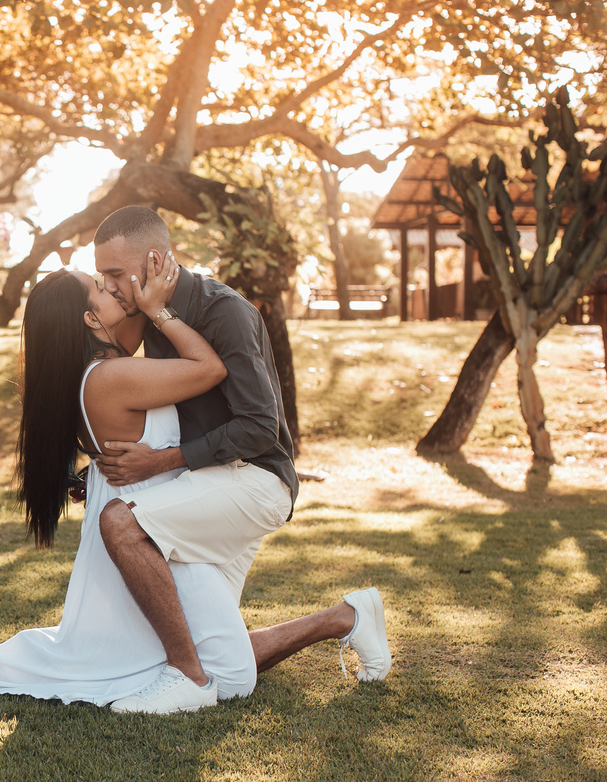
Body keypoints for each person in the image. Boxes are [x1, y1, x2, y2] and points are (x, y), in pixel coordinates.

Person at [90, 205, 390, 714]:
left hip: (256, 482)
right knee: (224, 663)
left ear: (154, 259)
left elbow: (259, 427)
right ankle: (347, 617)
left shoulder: (223, 310)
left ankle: (187, 680)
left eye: (116, 274)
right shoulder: (146, 314)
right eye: (103, 276)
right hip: (208, 487)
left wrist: (159, 462)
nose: (112, 286)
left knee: (121, 526)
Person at [0, 254, 267, 705]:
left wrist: (138, 291)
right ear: (89, 317)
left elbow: (130, 316)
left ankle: (341, 620)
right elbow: (210, 368)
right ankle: (337, 620)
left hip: (162, 520)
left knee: (220, 659)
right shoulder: (110, 377)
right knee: (231, 677)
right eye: (101, 287)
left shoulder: (103, 365)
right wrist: (160, 308)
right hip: (148, 531)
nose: (113, 288)